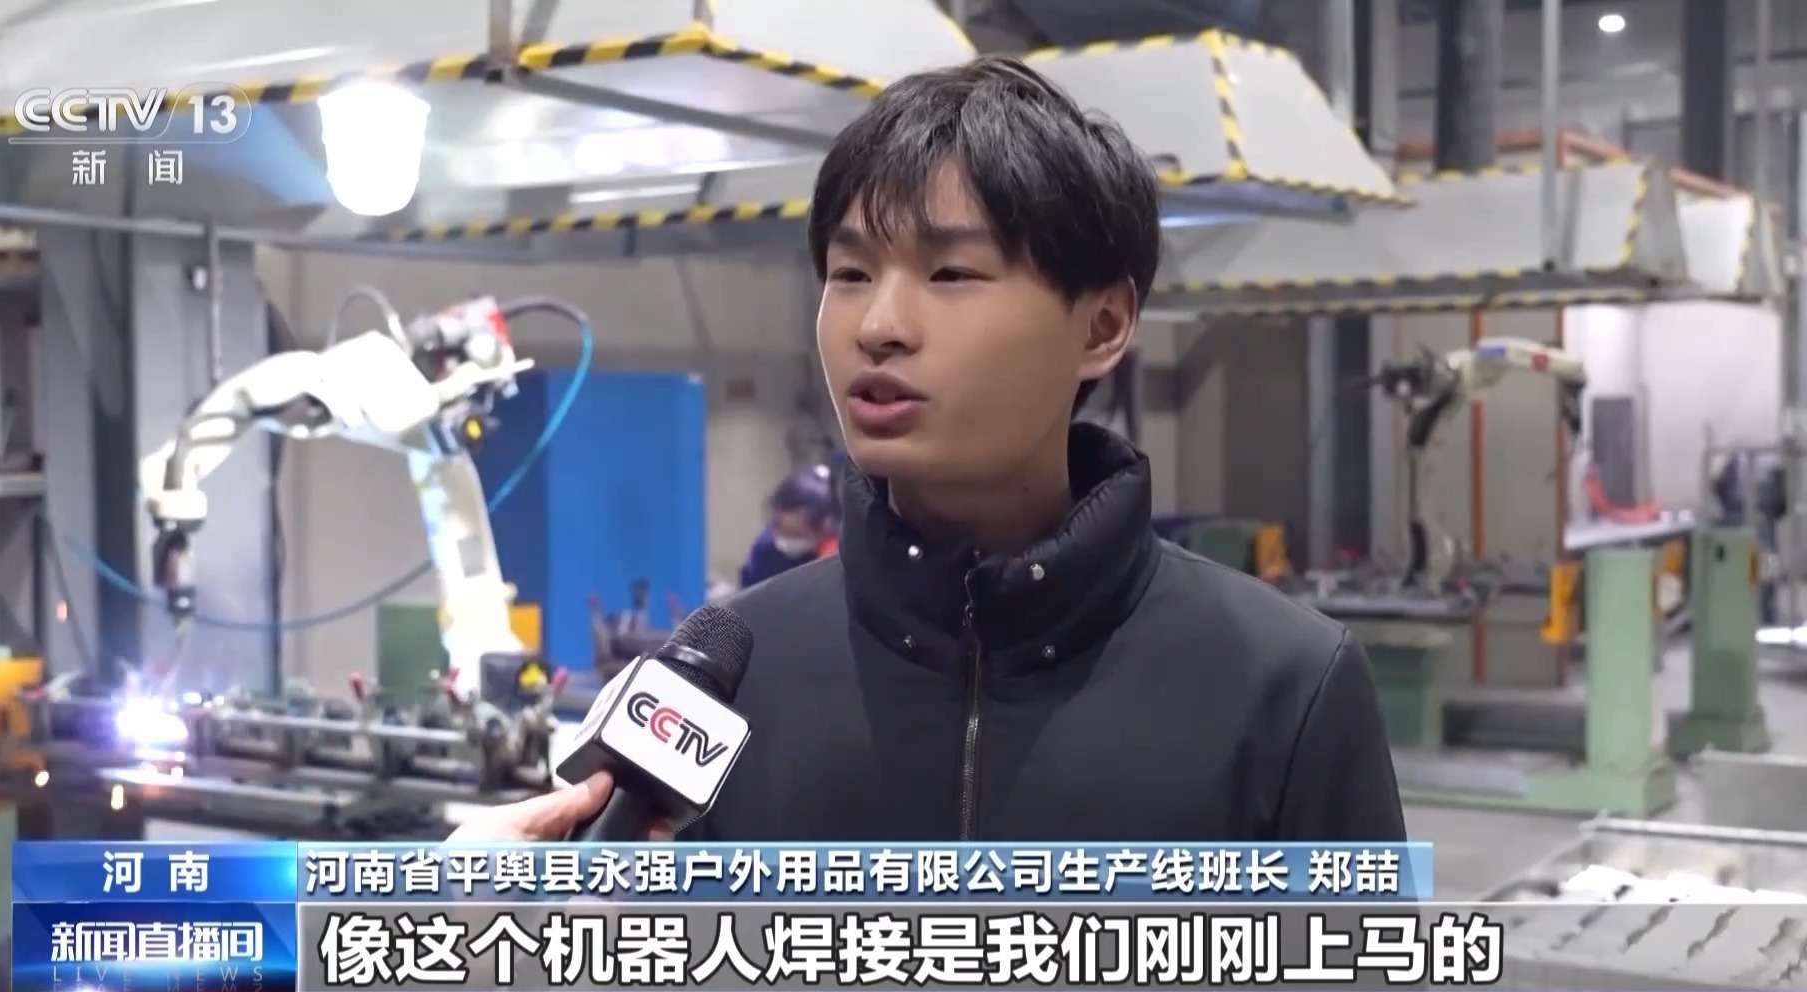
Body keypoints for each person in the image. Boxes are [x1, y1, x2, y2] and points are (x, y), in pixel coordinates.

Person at [457, 55, 1405, 842]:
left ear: (1103, 325)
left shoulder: (1283, 686)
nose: (879, 325)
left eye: (950, 273)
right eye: (850, 273)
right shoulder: (725, 684)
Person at [737, 465, 840, 588]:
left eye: (795, 534)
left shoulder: (834, 555)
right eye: (778, 526)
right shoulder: (764, 548)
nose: (784, 537)